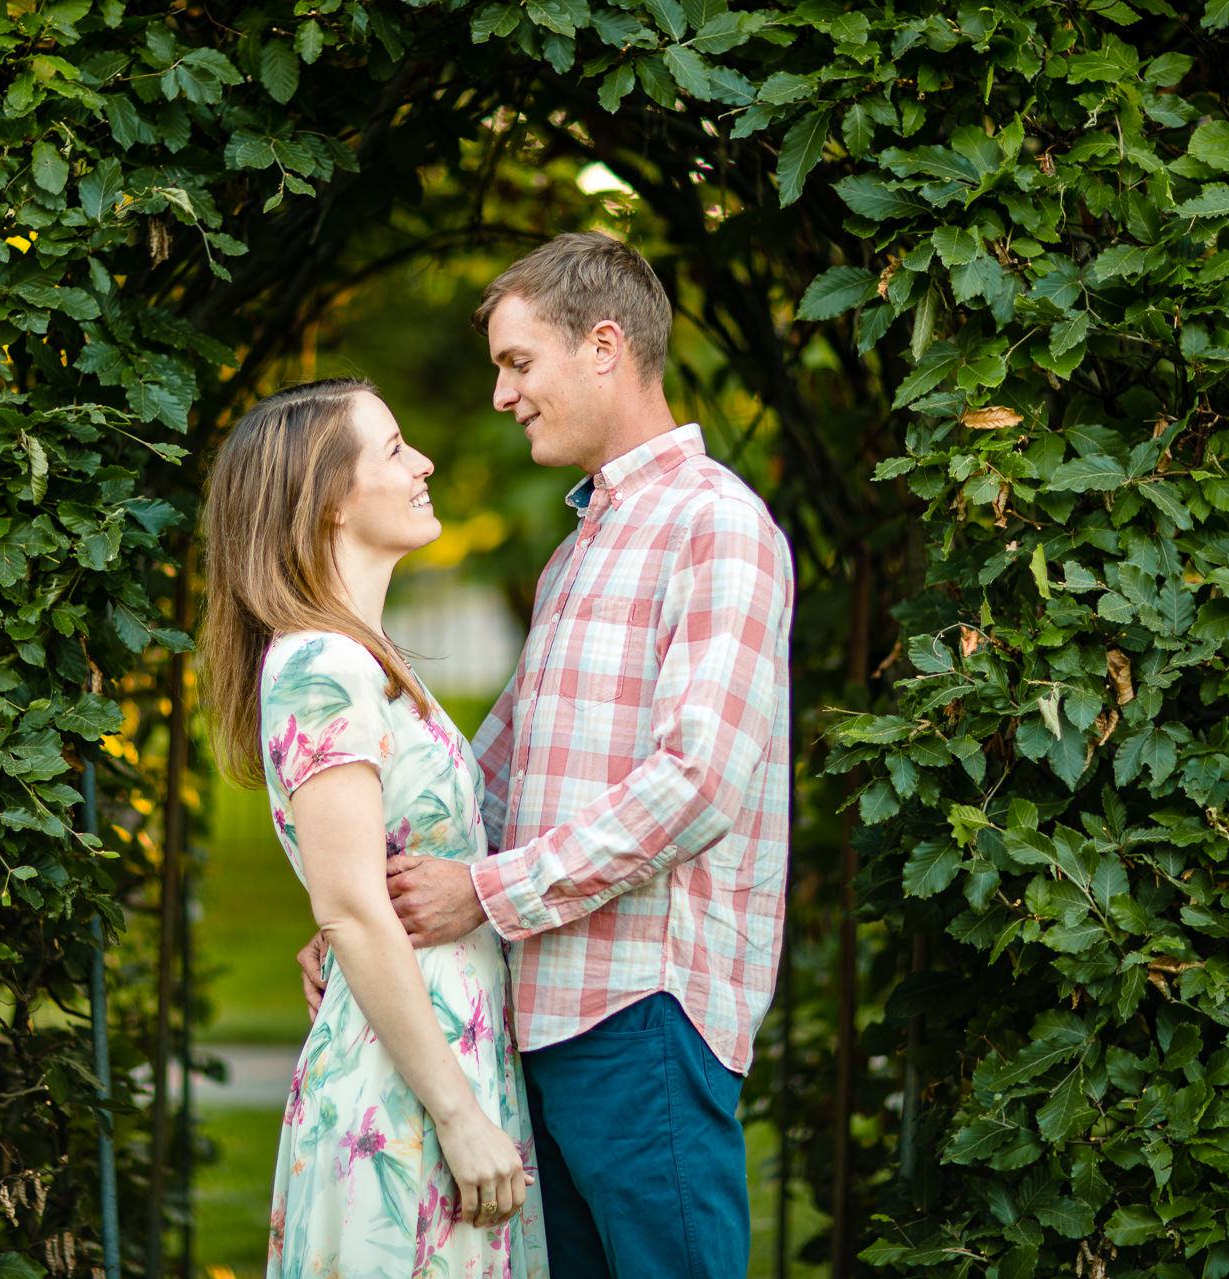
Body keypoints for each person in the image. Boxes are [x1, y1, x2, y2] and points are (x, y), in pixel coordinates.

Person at [299, 232, 795, 1278]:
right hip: (543, 1017)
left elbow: (697, 781)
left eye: (518, 362)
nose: (499, 394)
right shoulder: (579, 552)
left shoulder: (717, 529)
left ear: (604, 345)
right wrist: (364, 911)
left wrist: (485, 890)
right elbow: (494, 770)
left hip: (644, 1011)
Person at [200, 378, 548, 1278]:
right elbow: (353, 906)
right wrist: (460, 1115)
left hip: (434, 1056)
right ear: (328, 503)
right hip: (407, 1089)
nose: (424, 461)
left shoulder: (361, 656)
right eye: (394, 448)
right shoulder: (321, 663)